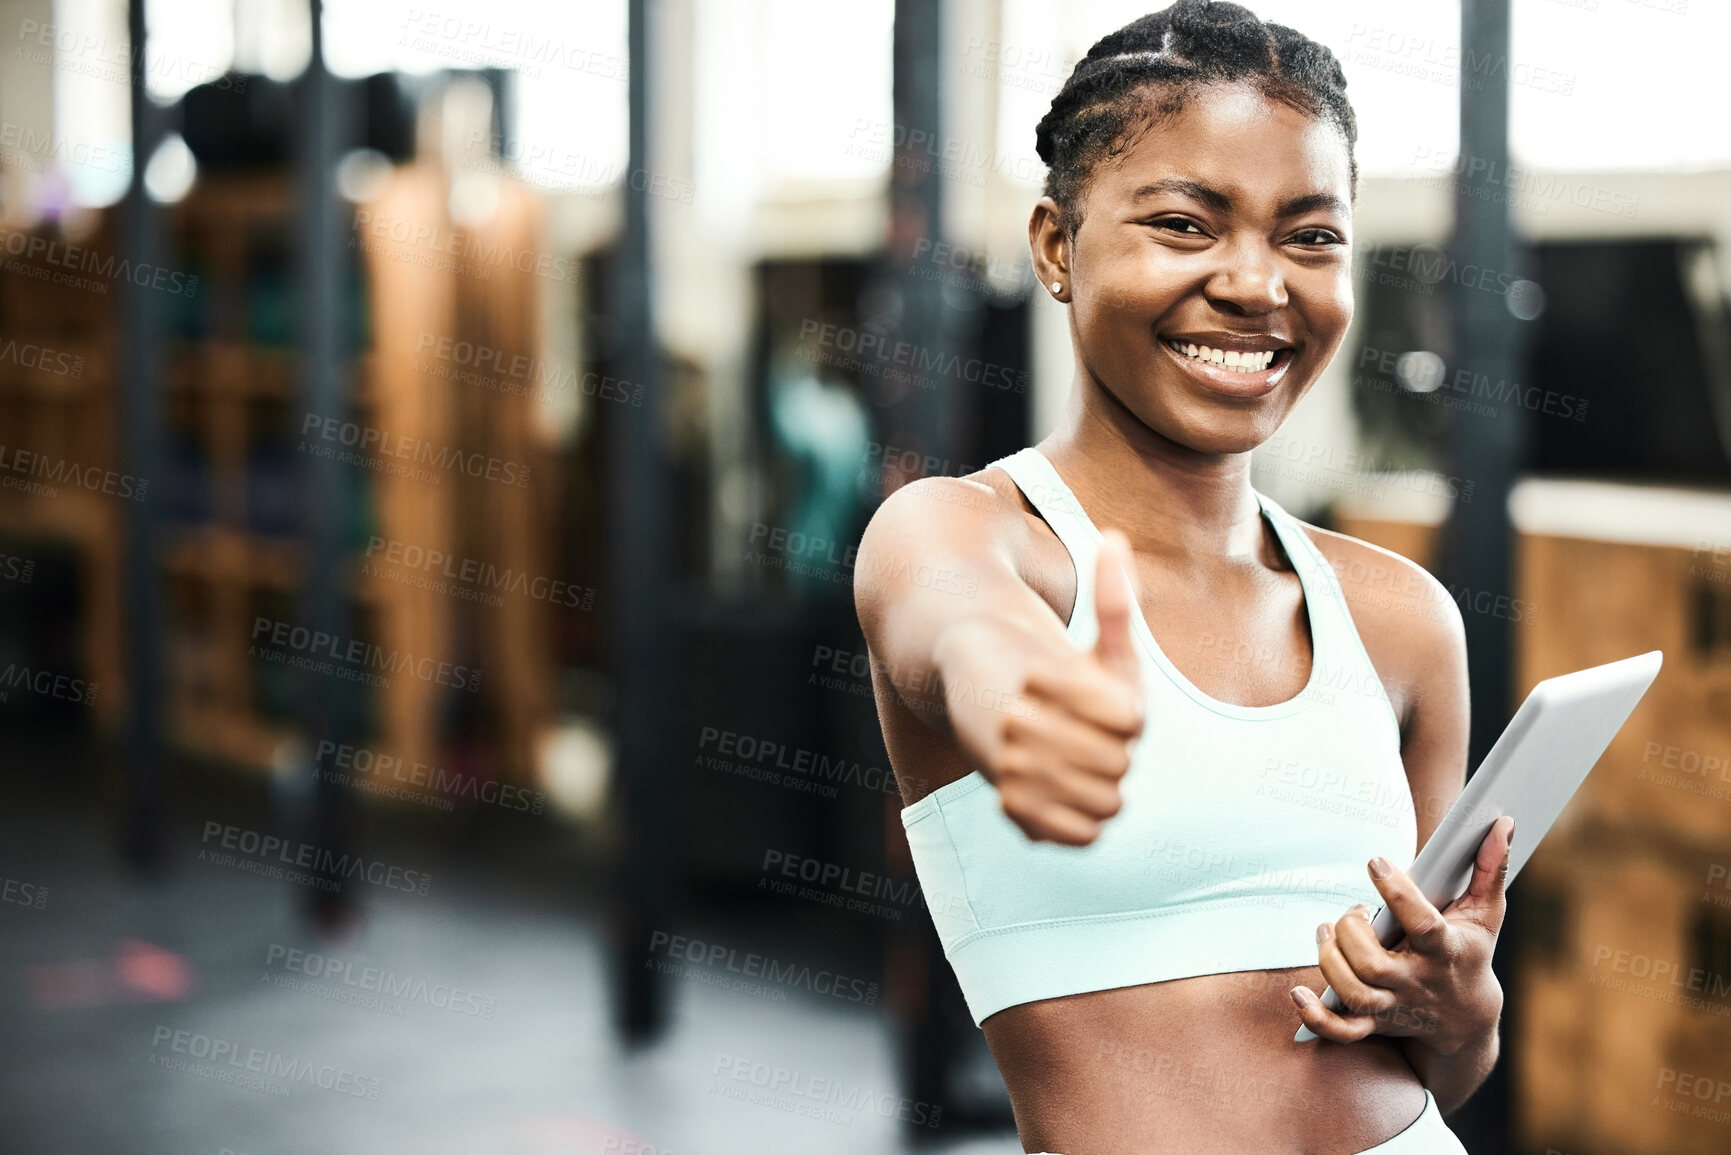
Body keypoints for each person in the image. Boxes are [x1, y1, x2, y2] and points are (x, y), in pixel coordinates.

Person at [852, 3, 1513, 1152]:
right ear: (1057, 244)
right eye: (1185, 225)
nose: (1258, 285)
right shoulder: (965, 533)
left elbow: (1432, 1065)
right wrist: (1017, 703)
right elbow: (956, 626)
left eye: (1311, 237)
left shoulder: (1403, 621)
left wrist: (1462, 1012)